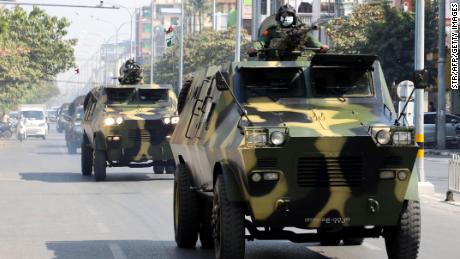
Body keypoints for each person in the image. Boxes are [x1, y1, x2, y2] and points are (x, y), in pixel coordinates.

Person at [247, 4, 329, 60]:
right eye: (284, 17)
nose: (286, 18)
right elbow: (261, 41)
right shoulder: (272, 30)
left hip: (295, 66)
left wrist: (321, 47)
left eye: (289, 16)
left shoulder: (301, 31)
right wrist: (254, 48)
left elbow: (313, 42)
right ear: (279, 18)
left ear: (294, 18)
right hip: (271, 64)